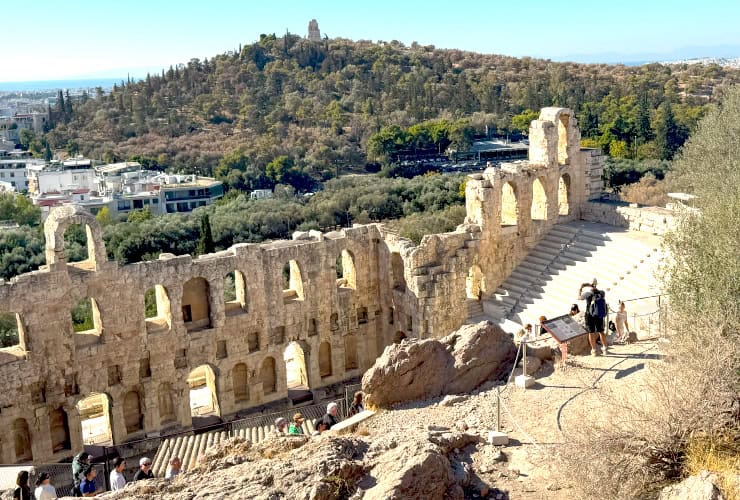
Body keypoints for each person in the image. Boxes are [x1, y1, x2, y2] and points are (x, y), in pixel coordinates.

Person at [585, 286, 609, 355]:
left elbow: (579, 297)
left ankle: (594, 350)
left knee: (591, 332)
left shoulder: (587, 294)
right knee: (601, 331)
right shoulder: (602, 293)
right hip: (599, 315)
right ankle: (605, 349)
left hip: (590, 315)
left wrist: (581, 288)